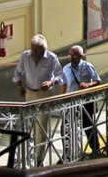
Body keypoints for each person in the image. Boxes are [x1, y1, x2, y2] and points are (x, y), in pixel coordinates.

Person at [12, 34, 64, 166]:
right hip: (30, 93)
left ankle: (39, 158)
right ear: (31, 48)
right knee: (29, 124)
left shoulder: (51, 57)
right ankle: (29, 152)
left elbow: (60, 76)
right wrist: (20, 86)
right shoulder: (25, 56)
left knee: (41, 126)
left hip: (44, 95)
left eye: (41, 50)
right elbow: (18, 73)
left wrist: (51, 82)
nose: (38, 53)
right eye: (35, 50)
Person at [62, 45, 101, 153]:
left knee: (88, 126)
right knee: (65, 127)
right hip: (70, 101)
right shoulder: (66, 68)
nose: (72, 57)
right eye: (70, 55)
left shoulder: (88, 66)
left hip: (85, 101)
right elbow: (64, 84)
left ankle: (95, 149)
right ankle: (67, 153)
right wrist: (62, 98)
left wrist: (88, 85)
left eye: (75, 55)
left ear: (81, 56)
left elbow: (97, 80)